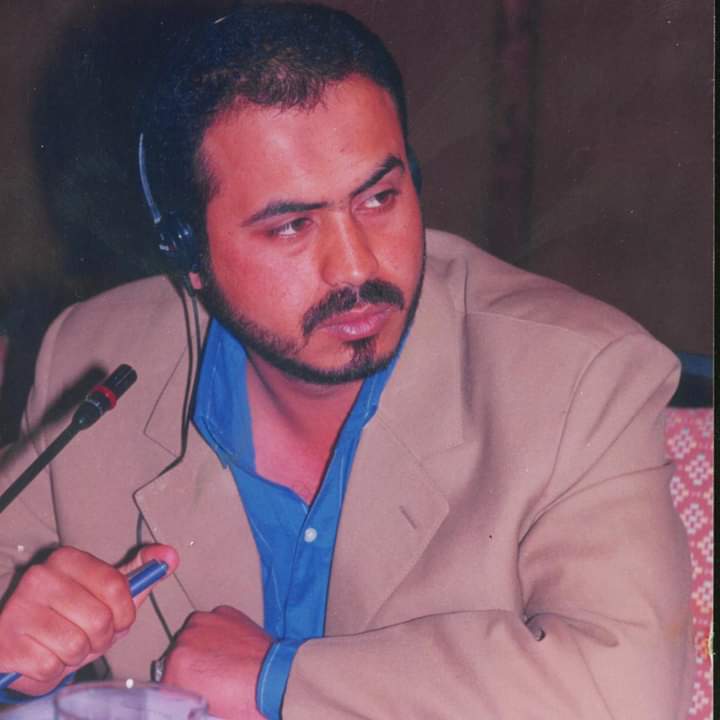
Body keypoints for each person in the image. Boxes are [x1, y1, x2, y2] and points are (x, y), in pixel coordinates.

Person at [0, 3, 693, 718]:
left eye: (379, 198)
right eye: (291, 226)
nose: (357, 267)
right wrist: (15, 657)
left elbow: (628, 695)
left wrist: (277, 678)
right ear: (188, 255)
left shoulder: (579, 375)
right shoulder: (94, 360)